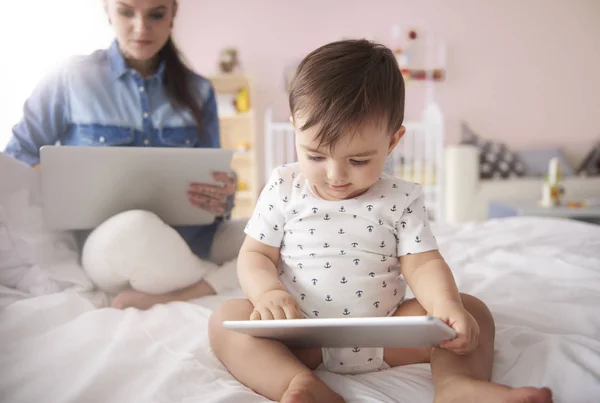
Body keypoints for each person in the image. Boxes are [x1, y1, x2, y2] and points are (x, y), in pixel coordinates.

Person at [208, 40, 554, 403]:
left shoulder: (401, 198)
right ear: (294, 128)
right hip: (300, 335)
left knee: (472, 311)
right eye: (315, 156)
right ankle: (296, 384)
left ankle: (457, 386)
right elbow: (256, 256)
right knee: (225, 320)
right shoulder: (283, 186)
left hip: (389, 335)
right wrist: (268, 294)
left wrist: (445, 306)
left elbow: (422, 264)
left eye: (358, 161)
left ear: (393, 141)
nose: (336, 175)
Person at [3, 0, 245, 310]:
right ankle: (221, 281)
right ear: (107, 10)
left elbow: (214, 186)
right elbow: (15, 158)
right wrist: (56, 179)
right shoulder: (70, 78)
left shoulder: (199, 90)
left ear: (173, 14)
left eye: (156, 14)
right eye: (126, 12)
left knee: (281, 232)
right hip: (112, 244)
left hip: (194, 239)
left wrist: (224, 195)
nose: (141, 27)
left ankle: (190, 289)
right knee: (136, 228)